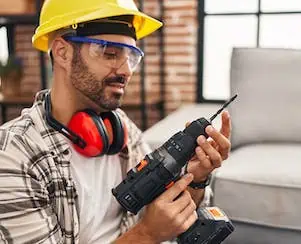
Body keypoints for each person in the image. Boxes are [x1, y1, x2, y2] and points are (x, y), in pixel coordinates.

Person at [0, 0, 232, 243]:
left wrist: (195, 179)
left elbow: (169, 218)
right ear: (63, 53)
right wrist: (146, 234)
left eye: (131, 56)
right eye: (110, 53)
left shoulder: (120, 128)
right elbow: (153, 228)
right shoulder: (14, 155)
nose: (126, 70)